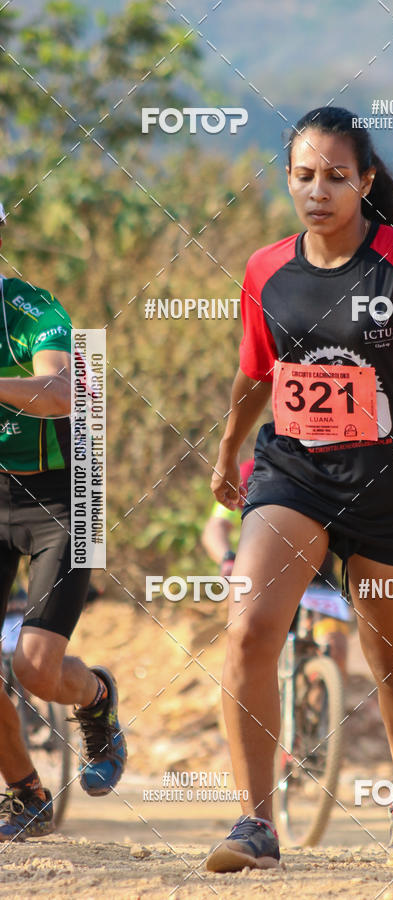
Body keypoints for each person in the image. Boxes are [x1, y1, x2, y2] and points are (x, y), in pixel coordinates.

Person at [206, 107, 393, 872]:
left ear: (363, 181)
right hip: (294, 473)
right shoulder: (266, 269)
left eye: (334, 176)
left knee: (391, 653)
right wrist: (229, 451)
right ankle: (255, 824)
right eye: (303, 175)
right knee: (250, 625)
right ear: (286, 179)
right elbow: (256, 370)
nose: (317, 191)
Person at [0, 203, 126, 841]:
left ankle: (97, 697)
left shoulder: (32, 310)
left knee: (34, 669)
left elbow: (64, 394)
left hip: (64, 492)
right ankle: (27, 795)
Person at [201, 457, 350, 677]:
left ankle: (322, 703)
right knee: (252, 643)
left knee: (336, 647)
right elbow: (215, 526)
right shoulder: (248, 473)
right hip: (268, 575)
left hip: (319, 576)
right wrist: (227, 559)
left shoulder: (336, 468)